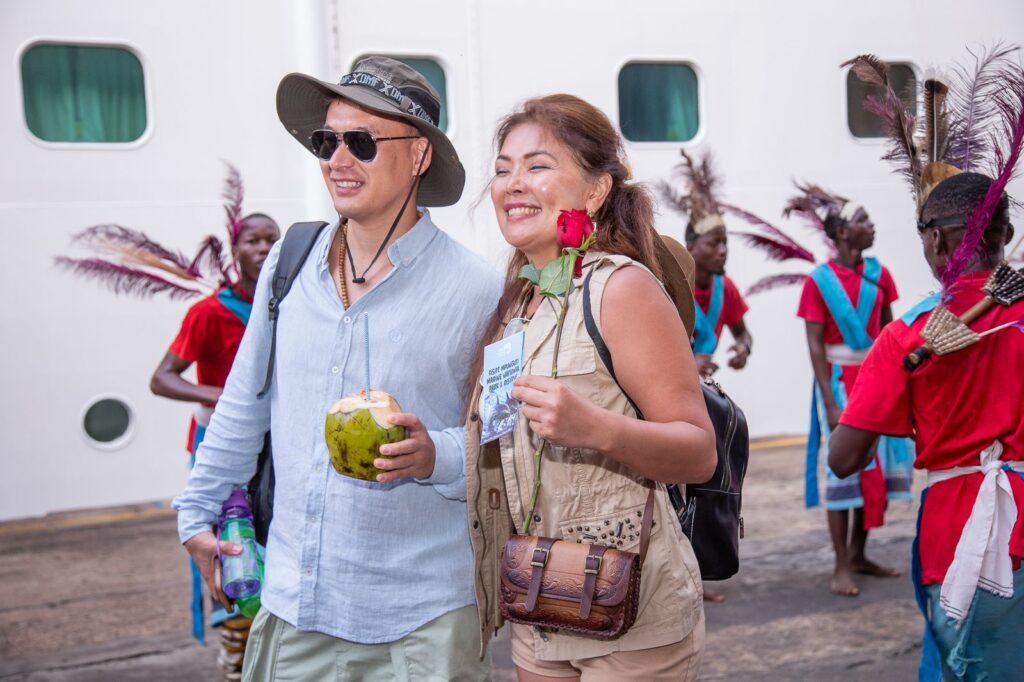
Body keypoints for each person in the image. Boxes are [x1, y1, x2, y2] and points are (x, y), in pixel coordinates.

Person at [173, 56, 501, 680]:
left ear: (419, 155)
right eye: (327, 141)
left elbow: (509, 445)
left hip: (423, 620)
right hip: (295, 606)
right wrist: (195, 513)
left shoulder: (479, 290)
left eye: (362, 142)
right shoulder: (288, 262)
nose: (337, 160)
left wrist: (436, 454)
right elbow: (245, 403)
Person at [466, 94, 716, 681]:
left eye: (537, 165)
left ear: (597, 190)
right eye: (503, 169)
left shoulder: (622, 289)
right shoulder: (519, 304)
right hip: (540, 604)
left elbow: (699, 451)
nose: (513, 183)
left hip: (632, 614)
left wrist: (597, 428)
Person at [832, 52, 1024, 679]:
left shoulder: (905, 335)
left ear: (937, 240)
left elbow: (844, 458)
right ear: (1005, 236)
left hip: (956, 532)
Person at [150, 211, 279, 677]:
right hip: (219, 441)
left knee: (268, 541)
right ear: (235, 250)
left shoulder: (286, 303)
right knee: (228, 544)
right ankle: (234, 655)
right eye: (252, 240)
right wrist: (224, 395)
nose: (262, 248)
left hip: (274, 444)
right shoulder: (209, 312)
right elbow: (162, 378)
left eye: (271, 240)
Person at [795, 185, 911, 596]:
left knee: (873, 466)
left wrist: (899, 385)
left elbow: (890, 332)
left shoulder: (880, 275)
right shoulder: (819, 281)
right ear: (843, 232)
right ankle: (840, 564)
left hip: (875, 378)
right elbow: (814, 344)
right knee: (841, 468)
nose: (872, 225)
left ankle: (860, 554)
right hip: (839, 381)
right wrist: (829, 402)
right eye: (863, 220)